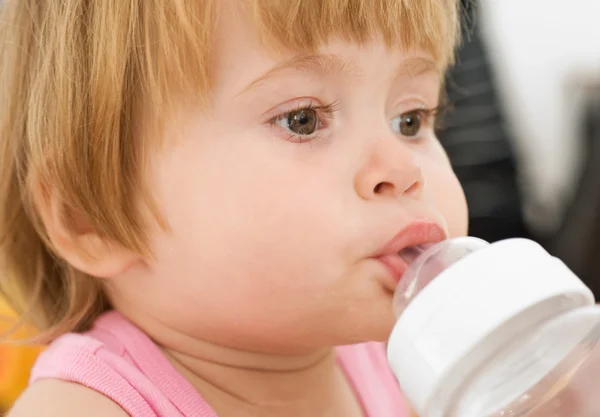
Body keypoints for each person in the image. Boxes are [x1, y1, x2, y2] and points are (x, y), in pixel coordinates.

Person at [0, 1, 467, 416]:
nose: (404, 169)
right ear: (91, 218)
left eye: (411, 119)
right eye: (302, 120)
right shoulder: (85, 407)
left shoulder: (401, 363)